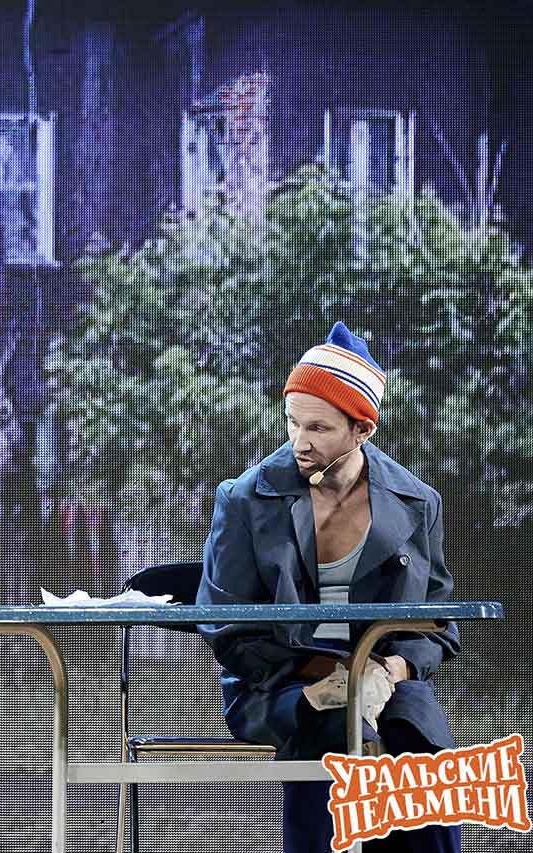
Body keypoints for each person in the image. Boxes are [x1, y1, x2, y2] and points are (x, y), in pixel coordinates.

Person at [197, 321, 461, 853]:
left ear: (362, 429)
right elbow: (226, 625)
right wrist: (329, 673)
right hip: (280, 684)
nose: (300, 441)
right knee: (333, 725)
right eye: (292, 422)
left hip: (383, 679)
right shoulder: (244, 499)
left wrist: (391, 669)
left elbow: (437, 622)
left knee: (419, 736)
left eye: (318, 427)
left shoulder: (418, 503)